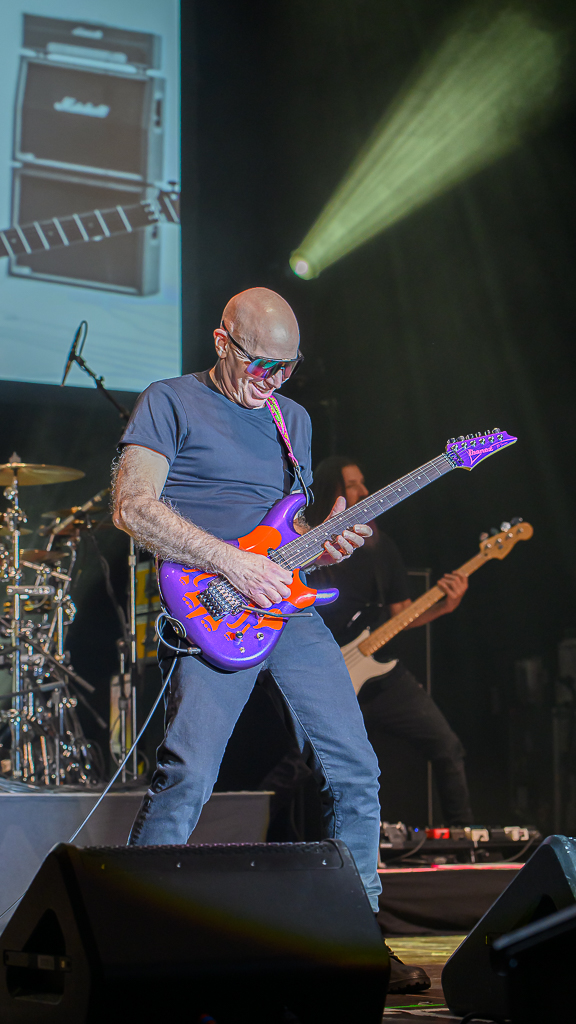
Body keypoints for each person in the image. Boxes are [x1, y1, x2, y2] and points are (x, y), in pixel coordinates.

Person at [112, 287, 430, 993]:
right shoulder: (170, 401)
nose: (273, 380)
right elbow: (132, 508)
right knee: (188, 775)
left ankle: (360, 942)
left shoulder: (293, 420)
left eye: (287, 368)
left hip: (286, 609)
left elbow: (288, 528)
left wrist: (327, 543)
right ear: (221, 341)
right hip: (212, 604)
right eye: (260, 364)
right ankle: (134, 938)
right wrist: (229, 562)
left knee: (355, 768)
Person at [309, 456, 474, 825]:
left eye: (362, 482)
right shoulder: (307, 546)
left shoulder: (381, 547)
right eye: (352, 484)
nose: (364, 491)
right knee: (302, 768)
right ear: (331, 493)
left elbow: (402, 614)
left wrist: (445, 606)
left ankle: (465, 843)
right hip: (327, 676)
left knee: (447, 746)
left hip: (380, 676)